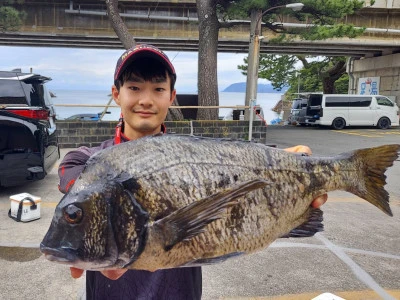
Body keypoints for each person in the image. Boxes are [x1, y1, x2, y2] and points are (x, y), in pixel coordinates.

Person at [57, 44, 327, 300]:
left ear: (171, 97)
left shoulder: (193, 156)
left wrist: (292, 168)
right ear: (117, 93)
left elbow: (239, 162)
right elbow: (72, 174)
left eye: (158, 89)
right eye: (134, 87)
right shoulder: (89, 161)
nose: (146, 100)